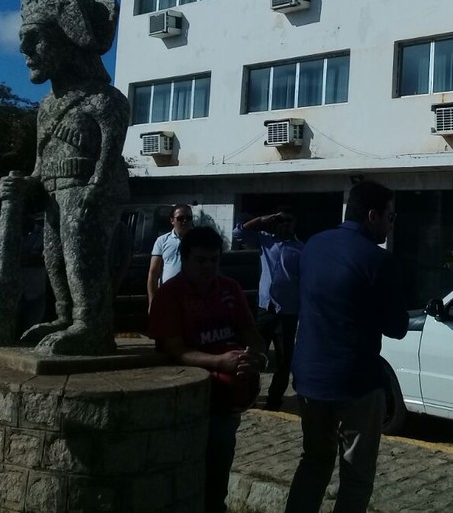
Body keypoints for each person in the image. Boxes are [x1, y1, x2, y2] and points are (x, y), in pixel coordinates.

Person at [0, 0, 129, 355]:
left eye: (35, 38)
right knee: (53, 258)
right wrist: (24, 184)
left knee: (79, 253)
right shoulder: (46, 108)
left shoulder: (104, 100)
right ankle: (65, 314)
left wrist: (93, 189)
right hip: (54, 193)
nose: (25, 49)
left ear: (66, 43)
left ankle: (90, 323)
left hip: (88, 194)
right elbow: (40, 165)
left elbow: (109, 157)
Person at [284, 181, 408, 513]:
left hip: (309, 378)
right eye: (390, 217)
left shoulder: (313, 245)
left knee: (313, 461)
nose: (391, 224)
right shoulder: (379, 261)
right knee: (356, 476)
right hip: (355, 382)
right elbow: (397, 328)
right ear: (372, 216)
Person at [148, 226, 266, 513]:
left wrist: (256, 357)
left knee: (218, 469)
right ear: (184, 259)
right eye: (200, 260)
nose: (208, 267)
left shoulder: (230, 288)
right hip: (186, 400)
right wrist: (218, 362)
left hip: (226, 399)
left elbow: (250, 332)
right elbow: (174, 350)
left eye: (214, 260)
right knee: (182, 475)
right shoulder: (169, 295)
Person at [241, 207, 303, 410]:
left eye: (288, 220)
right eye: (280, 220)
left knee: (284, 360)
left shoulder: (301, 249)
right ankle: (249, 396)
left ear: (294, 222)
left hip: (287, 313)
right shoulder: (265, 241)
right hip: (265, 310)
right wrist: (262, 218)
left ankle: (274, 400)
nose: (284, 224)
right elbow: (239, 232)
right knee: (254, 355)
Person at [147, 204, 194, 307]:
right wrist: (152, 302)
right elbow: (153, 272)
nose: (185, 221)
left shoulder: (199, 241)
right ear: (172, 220)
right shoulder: (162, 241)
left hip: (193, 297)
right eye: (181, 218)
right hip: (168, 296)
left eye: (189, 218)